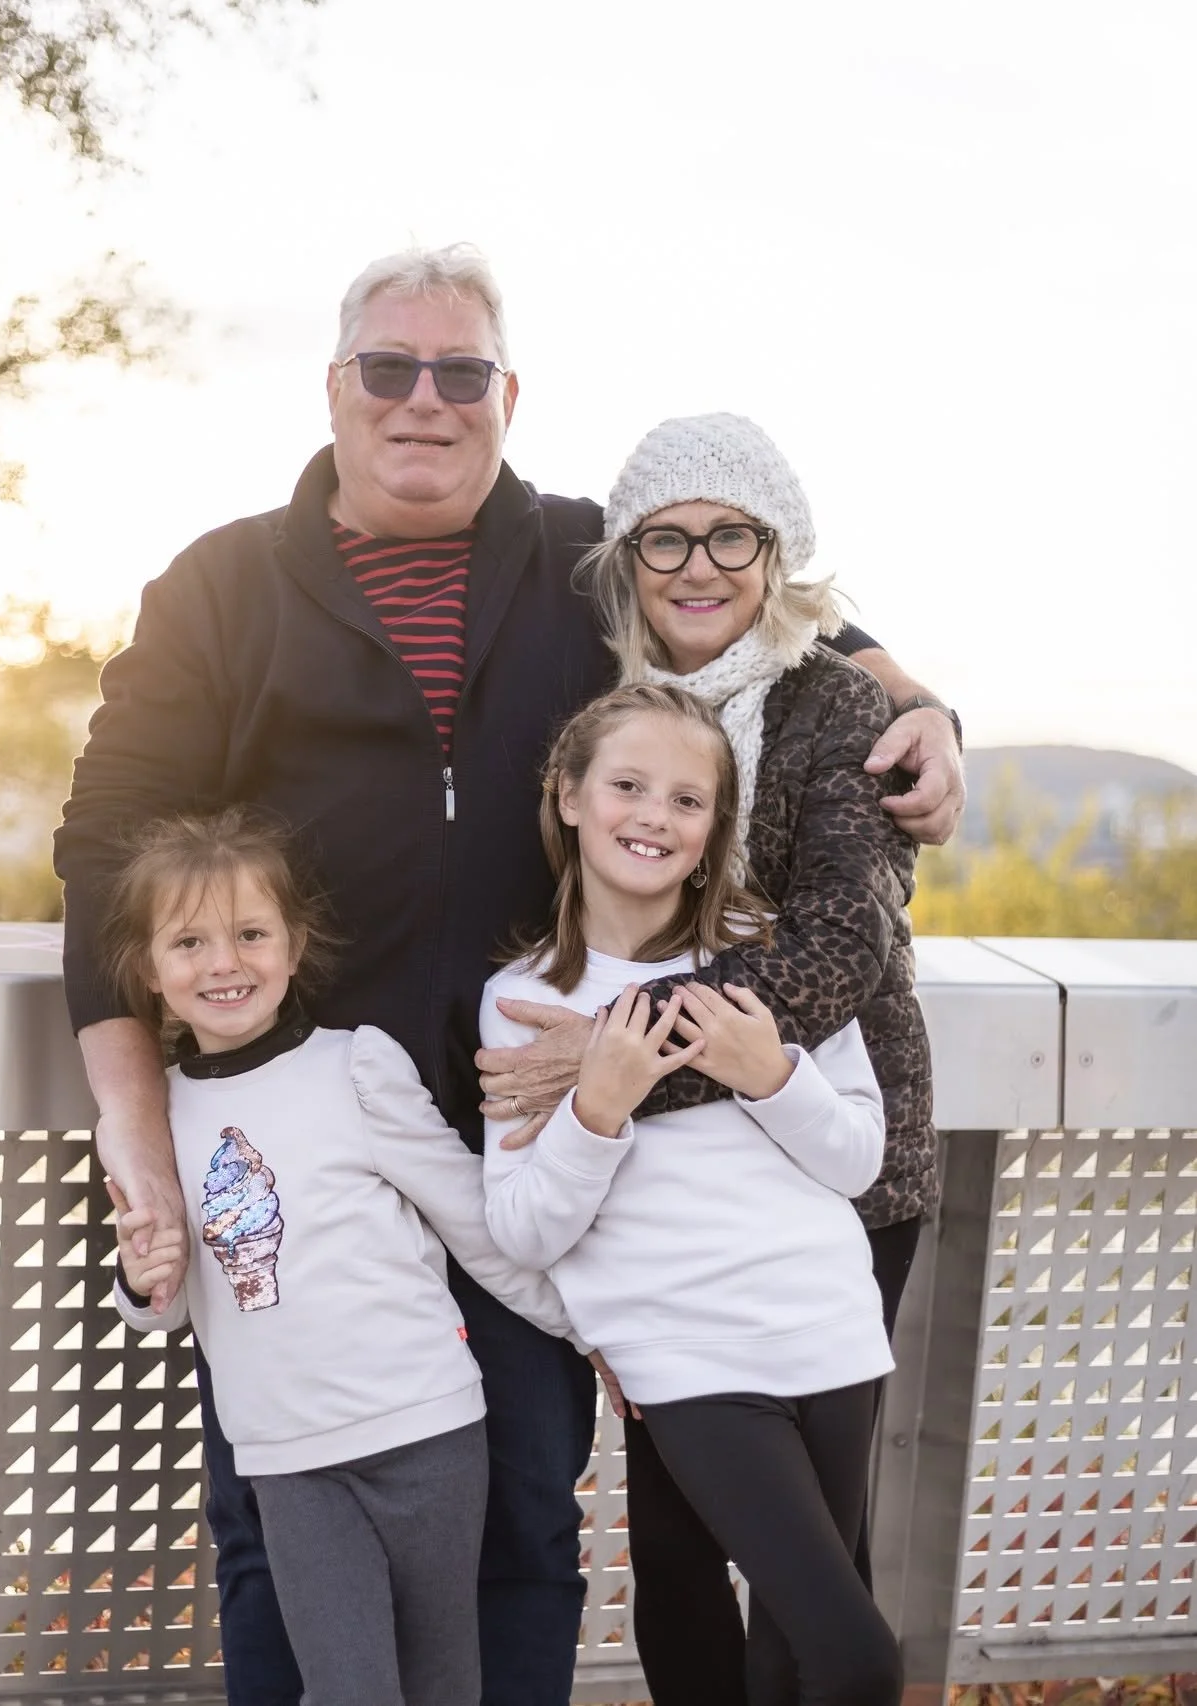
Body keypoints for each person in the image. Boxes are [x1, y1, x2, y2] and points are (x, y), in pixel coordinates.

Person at [52, 244, 962, 1706]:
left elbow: (760, 591)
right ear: (335, 388)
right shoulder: (221, 587)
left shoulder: (582, 553)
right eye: (389, 368)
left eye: (460, 371)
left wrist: (926, 707)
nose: (426, 399)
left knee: (528, 1512)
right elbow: (103, 845)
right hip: (298, 1137)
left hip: (533, 1120)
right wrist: (133, 1125)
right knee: (287, 1523)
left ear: (506, 394)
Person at [477, 412, 939, 1702]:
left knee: (816, 1596)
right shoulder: (603, 699)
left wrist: (615, 1058)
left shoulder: (836, 702)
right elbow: (537, 1192)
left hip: (839, 1182)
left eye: (732, 534)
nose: (700, 563)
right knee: (680, 1556)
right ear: (627, 557)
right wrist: (604, 1076)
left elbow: (841, 944)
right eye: (667, 537)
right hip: (667, 1251)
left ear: (776, 552)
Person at [102, 806, 577, 1706]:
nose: (224, 963)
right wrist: (139, 1275)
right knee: (346, 1690)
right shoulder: (155, 1120)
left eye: (250, 934)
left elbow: (475, 1223)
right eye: (190, 942)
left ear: (294, 943)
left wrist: (586, 1331)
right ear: (150, 973)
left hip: (427, 1429)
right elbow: (162, 1305)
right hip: (286, 1458)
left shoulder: (357, 1067)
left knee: (443, 1683)